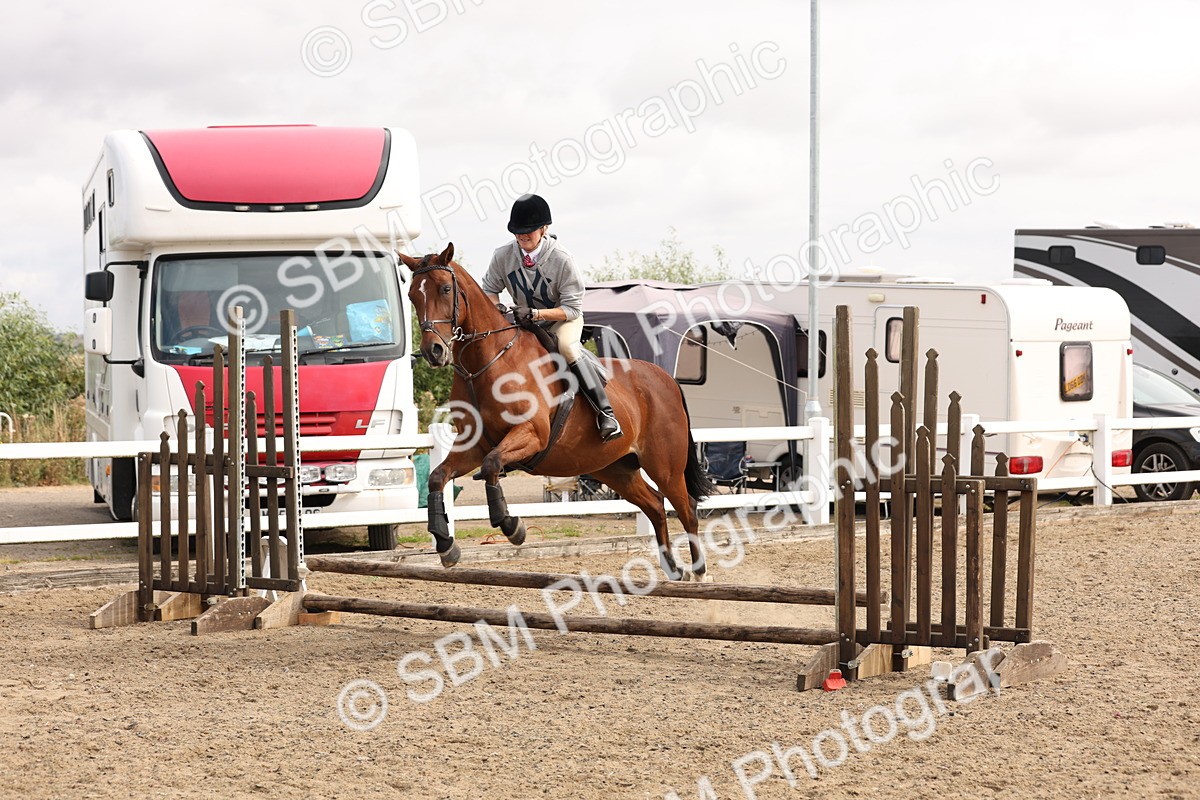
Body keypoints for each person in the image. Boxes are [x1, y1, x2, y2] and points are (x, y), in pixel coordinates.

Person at [481, 194, 622, 441]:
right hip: (524, 322)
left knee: (567, 347)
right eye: (517, 232)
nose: (522, 236)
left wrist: (536, 314)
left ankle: (605, 413)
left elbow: (572, 309)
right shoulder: (503, 255)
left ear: (544, 229)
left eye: (528, 231)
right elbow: (490, 289)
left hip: (562, 320)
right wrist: (498, 308)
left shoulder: (562, 259)